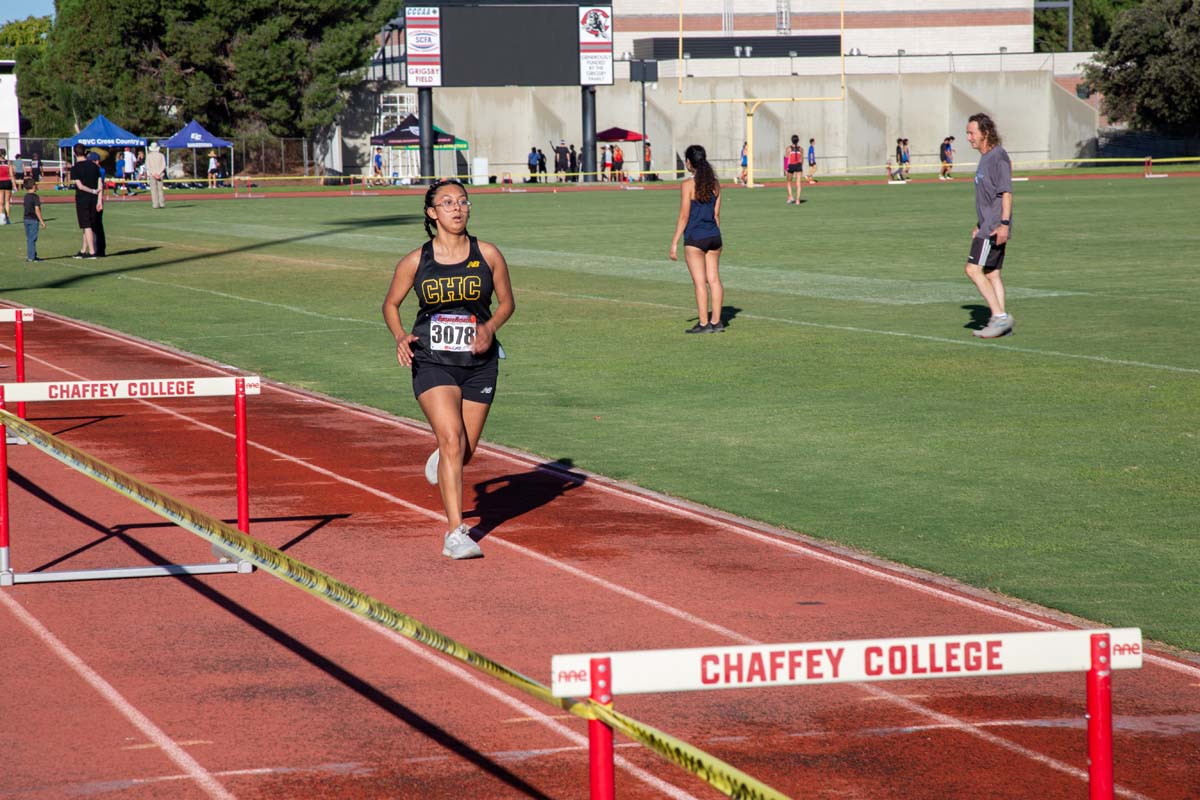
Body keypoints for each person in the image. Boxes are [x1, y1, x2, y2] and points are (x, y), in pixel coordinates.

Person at [381, 178, 515, 559]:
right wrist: (399, 336)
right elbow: (390, 304)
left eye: (462, 201)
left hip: (479, 364)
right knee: (453, 439)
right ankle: (455, 533)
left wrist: (489, 327)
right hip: (432, 361)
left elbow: (507, 302)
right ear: (431, 213)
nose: (457, 208)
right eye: (447, 202)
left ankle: (445, 456)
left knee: (464, 449)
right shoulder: (415, 260)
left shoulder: (487, 254)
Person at [964, 113, 1014, 339]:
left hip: (994, 227)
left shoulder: (998, 157)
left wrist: (1003, 224)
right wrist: (979, 223)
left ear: (985, 133)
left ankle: (1000, 317)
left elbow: (1006, 193)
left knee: (972, 269)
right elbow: (987, 197)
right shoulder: (985, 158)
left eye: (971, 133)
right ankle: (1002, 323)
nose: (968, 138)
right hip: (987, 225)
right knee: (992, 273)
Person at [669, 144, 724, 334]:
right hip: (714, 237)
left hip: (695, 238)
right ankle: (717, 322)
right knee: (714, 280)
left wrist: (674, 242)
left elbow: (684, 216)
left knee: (700, 283)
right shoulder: (715, 184)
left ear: (690, 162)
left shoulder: (687, 185)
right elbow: (716, 215)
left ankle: (703, 323)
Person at [71, 143, 101, 258]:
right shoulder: (94, 166)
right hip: (93, 199)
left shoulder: (75, 168)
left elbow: (80, 186)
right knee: (86, 224)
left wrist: (93, 191)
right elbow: (99, 182)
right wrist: (98, 197)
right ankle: (83, 250)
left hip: (83, 198)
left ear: (74, 154)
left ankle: (92, 251)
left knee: (87, 225)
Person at [22, 177, 46, 262]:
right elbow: (37, 210)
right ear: (33, 186)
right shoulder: (35, 197)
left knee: (29, 238)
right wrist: (42, 222)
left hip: (26, 219)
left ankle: (32, 255)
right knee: (32, 239)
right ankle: (31, 257)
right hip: (33, 220)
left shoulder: (26, 196)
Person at [146, 141, 167, 208]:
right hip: (160, 174)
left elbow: (148, 166)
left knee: (153, 190)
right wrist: (158, 173)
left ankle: (155, 204)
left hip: (152, 174)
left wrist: (153, 173)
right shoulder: (161, 155)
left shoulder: (148, 156)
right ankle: (162, 203)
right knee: (160, 190)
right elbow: (164, 165)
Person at [784, 134, 804, 203]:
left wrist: (785, 169)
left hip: (791, 166)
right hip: (798, 166)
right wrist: (801, 166)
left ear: (791, 140)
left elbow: (786, 159)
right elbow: (802, 159)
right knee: (798, 184)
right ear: (798, 141)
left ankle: (791, 196)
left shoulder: (788, 148)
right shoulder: (801, 149)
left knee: (789, 182)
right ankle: (797, 200)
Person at [0, 150, 12, 224]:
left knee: (0, 202)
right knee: (7, 201)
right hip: (7, 182)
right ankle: (7, 219)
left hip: (0, 182)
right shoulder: (8, 162)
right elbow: (11, 174)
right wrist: (14, 185)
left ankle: (1, 219)